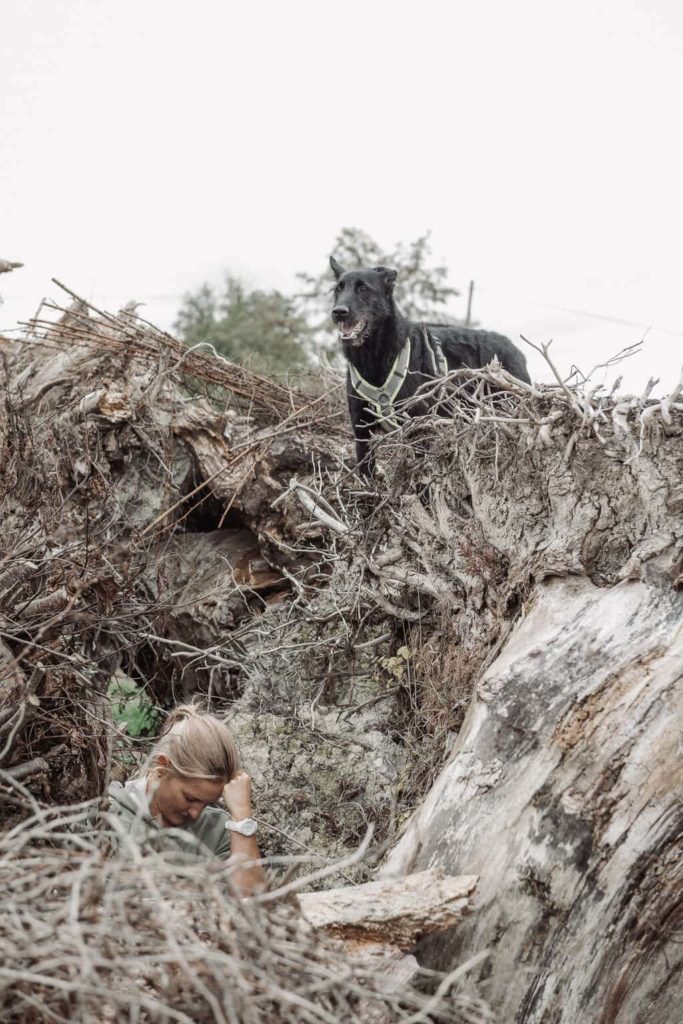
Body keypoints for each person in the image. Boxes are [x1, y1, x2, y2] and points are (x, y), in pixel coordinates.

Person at [108, 704, 264, 895]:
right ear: (162, 767)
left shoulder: (217, 829)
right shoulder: (111, 813)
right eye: (190, 798)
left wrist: (242, 817)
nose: (195, 812)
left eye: (207, 802)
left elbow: (250, 905)